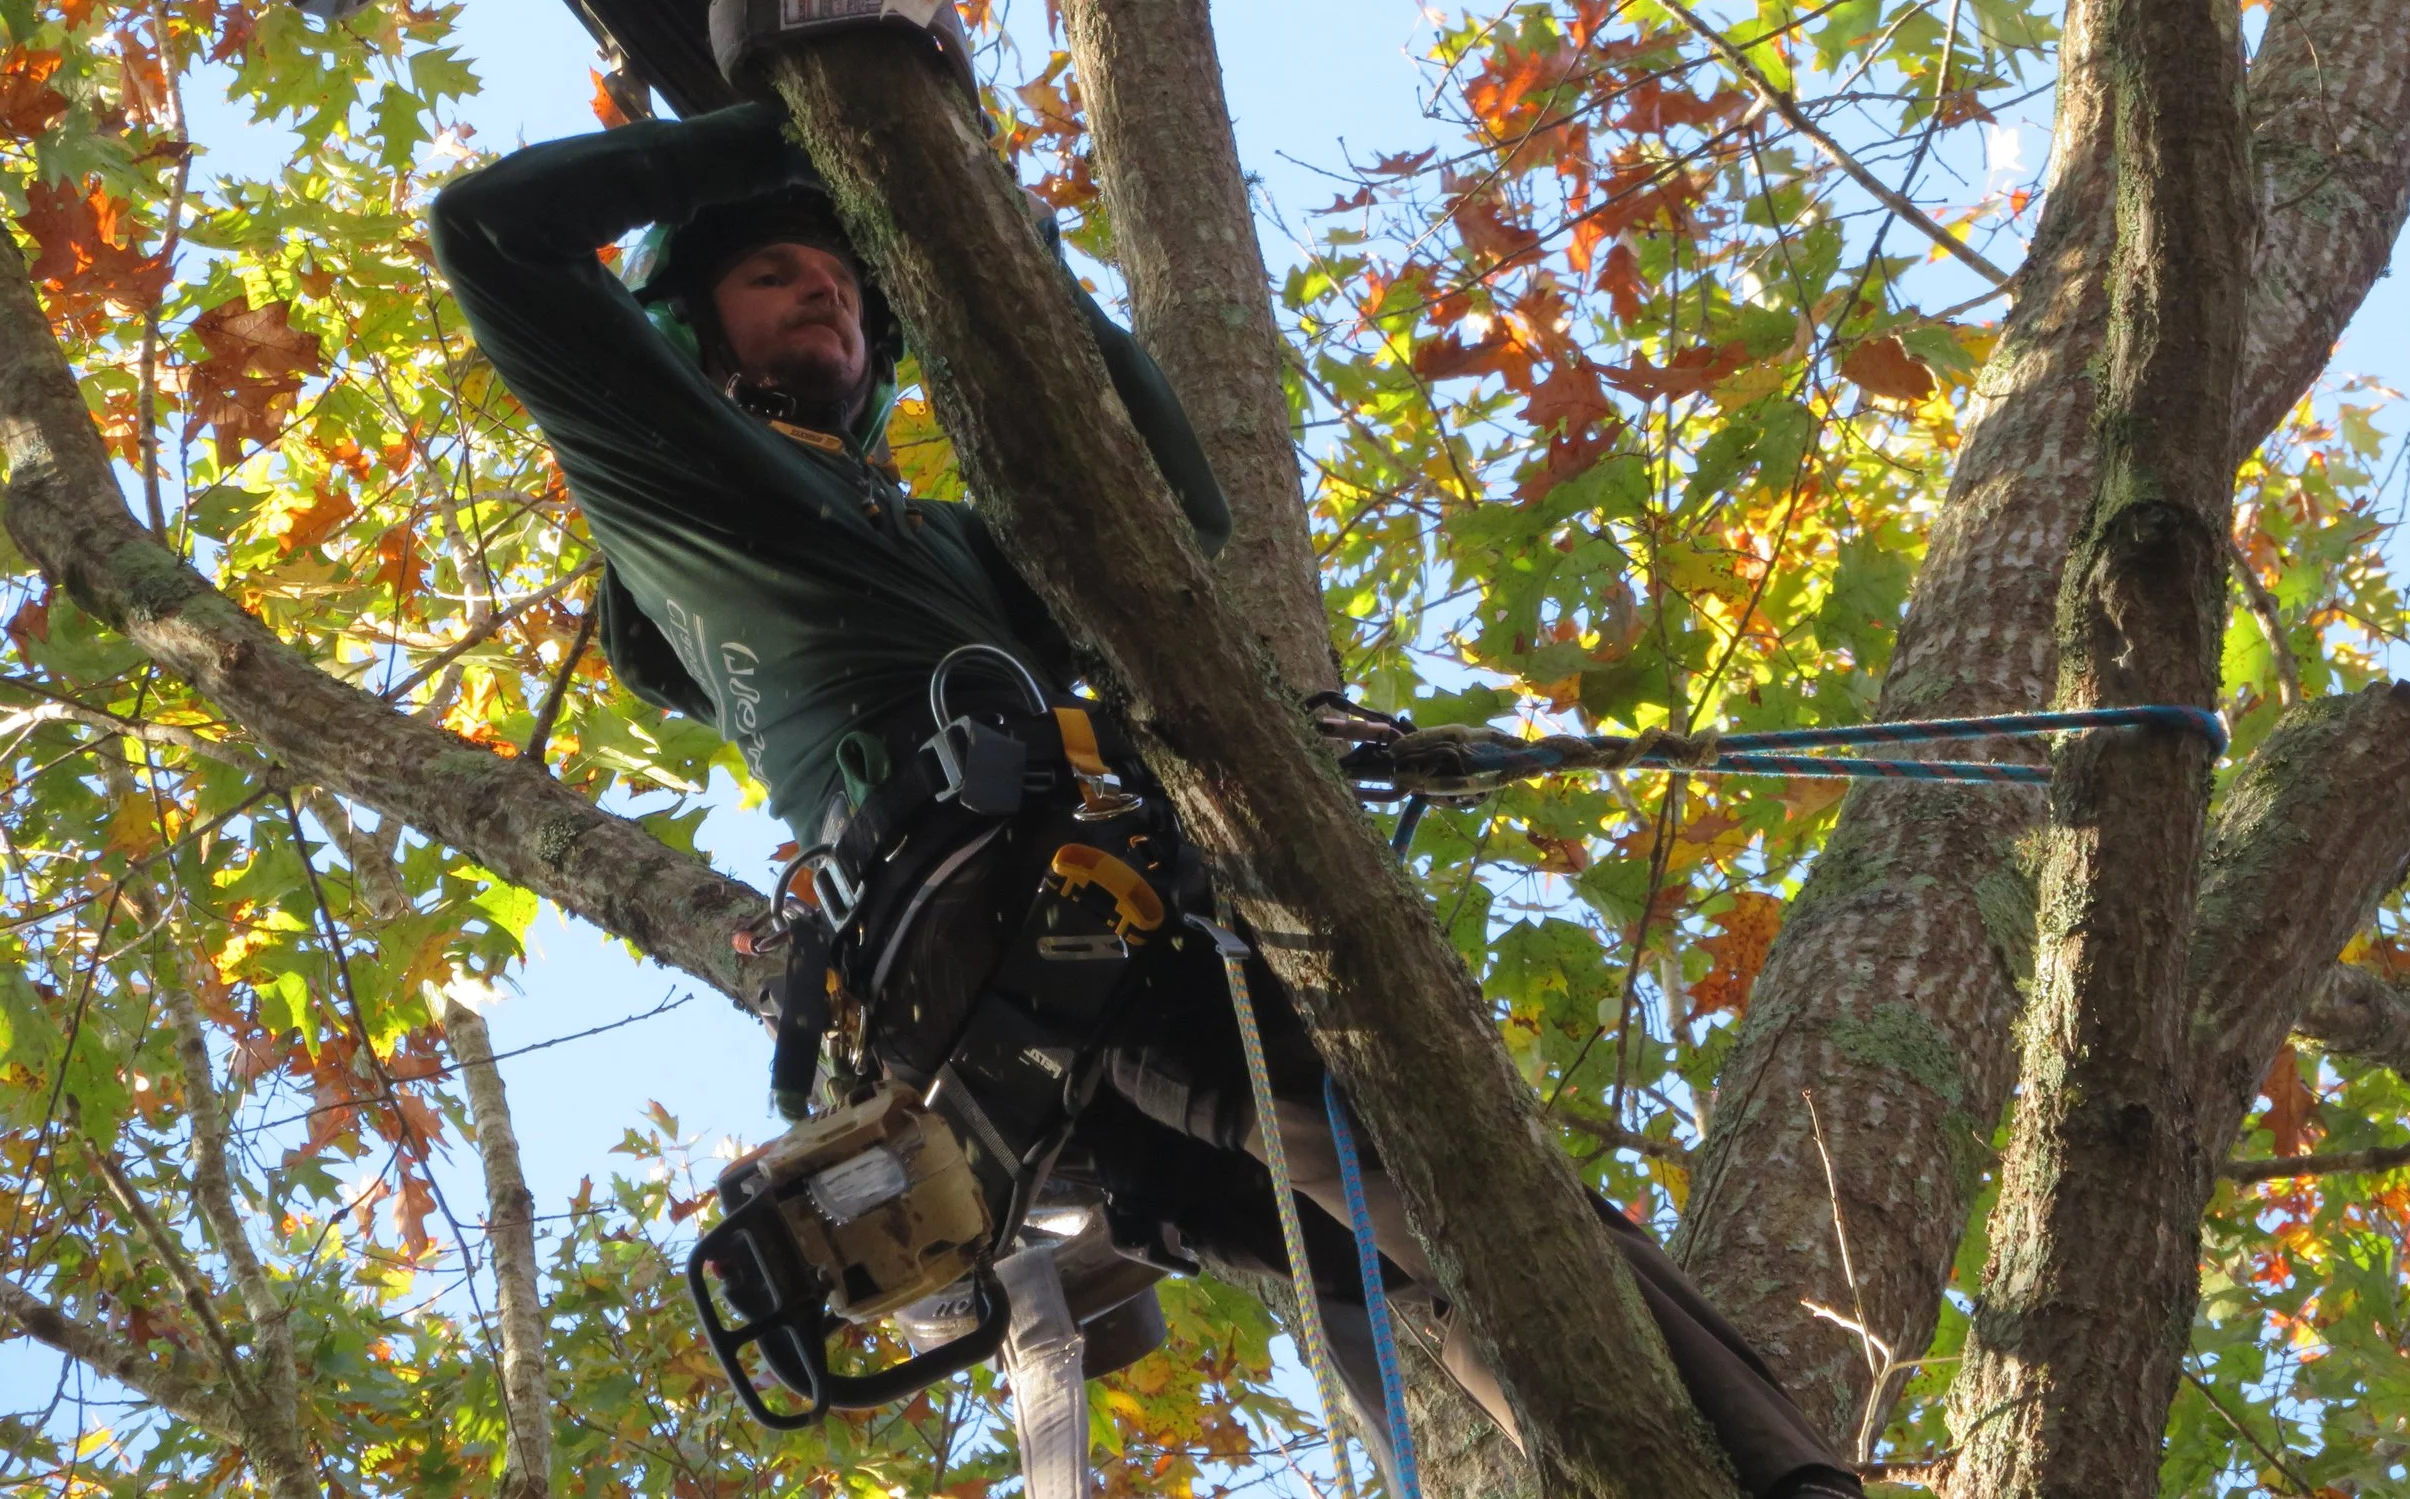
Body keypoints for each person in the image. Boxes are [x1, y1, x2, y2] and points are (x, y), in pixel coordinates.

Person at [430, 100, 1861, 1498]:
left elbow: (1172, 515)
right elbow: (490, 228)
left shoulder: (929, 541)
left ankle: (1676, 1463)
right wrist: (801, 126)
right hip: (1015, 948)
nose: (826, 290)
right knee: (1407, 1174)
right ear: (687, 327)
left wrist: (1009, 242)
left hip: (1063, 977)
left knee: (1377, 1253)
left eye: (847, 282)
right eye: (774, 272)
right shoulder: (677, 481)